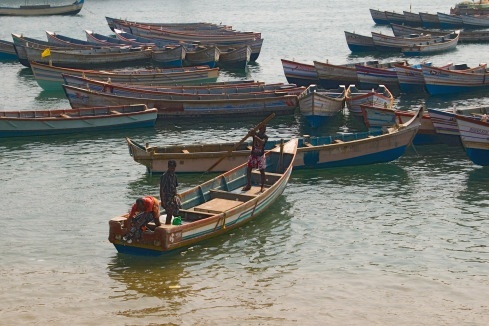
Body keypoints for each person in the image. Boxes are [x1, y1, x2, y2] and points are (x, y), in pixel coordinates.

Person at [242, 124, 268, 192]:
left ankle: (262, 187)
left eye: (265, 128)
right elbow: (250, 133)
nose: (264, 130)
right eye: (263, 128)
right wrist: (251, 132)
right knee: (248, 169)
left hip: (260, 156)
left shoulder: (265, 137)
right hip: (253, 155)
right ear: (259, 129)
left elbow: (262, 142)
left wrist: (254, 136)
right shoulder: (255, 134)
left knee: (262, 171)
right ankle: (248, 185)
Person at [160, 160, 180, 225]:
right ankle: (167, 225)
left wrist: (176, 196)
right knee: (169, 214)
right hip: (166, 198)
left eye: (173, 168)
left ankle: (174, 224)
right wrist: (162, 201)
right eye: (171, 168)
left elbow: (175, 187)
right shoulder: (164, 176)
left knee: (176, 211)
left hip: (173, 197)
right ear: (168, 167)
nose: (172, 169)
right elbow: (161, 189)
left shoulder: (174, 176)